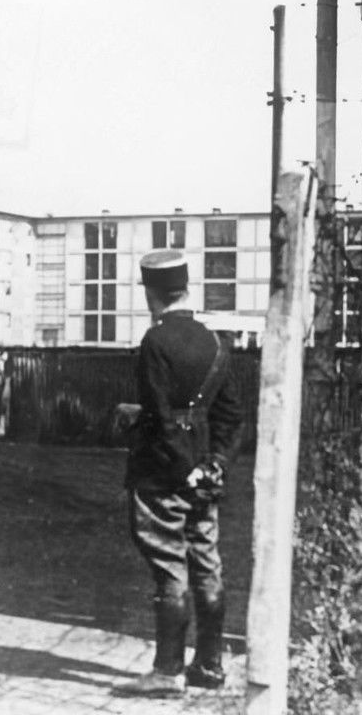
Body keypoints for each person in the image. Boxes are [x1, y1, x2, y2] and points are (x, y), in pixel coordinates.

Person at [113, 250, 243, 699]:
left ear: (151, 293)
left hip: (160, 475)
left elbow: (164, 417)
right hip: (205, 473)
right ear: (186, 289)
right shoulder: (215, 341)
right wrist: (214, 465)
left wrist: (182, 468)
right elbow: (230, 417)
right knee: (207, 564)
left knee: (170, 568)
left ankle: (166, 674)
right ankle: (209, 666)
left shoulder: (156, 341)